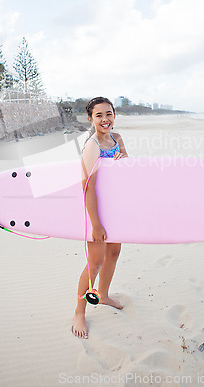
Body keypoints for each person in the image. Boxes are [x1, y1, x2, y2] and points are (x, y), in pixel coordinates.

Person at [72, 96, 128, 339]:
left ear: (114, 115)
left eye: (109, 114)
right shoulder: (92, 146)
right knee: (95, 261)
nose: (105, 119)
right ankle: (79, 312)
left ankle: (103, 295)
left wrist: (121, 161)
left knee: (113, 254)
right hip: (97, 211)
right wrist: (95, 223)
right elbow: (88, 187)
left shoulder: (117, 138)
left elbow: (127, 166)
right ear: (90, 119)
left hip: (117, 207)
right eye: (99, 115)